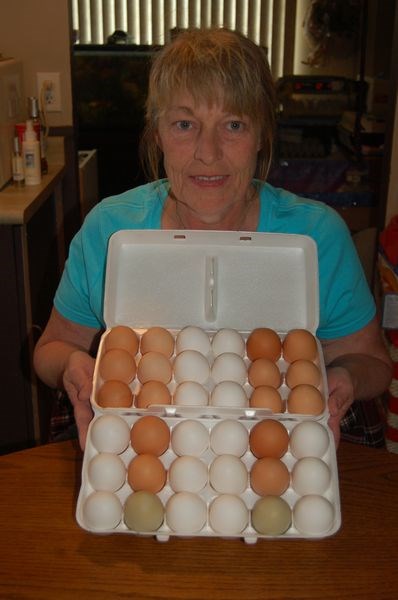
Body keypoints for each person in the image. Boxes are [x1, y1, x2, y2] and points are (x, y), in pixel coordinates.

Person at [33, 27, 392, 450]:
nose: (208, 152)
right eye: (185, 124)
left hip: (277, 453)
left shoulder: (316, 236)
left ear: (261, 135)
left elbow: (373, 360)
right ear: (158, 133)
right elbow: (52, 348)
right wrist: (73, 366)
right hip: (141, 452)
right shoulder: (110, 231)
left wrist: (345, 376)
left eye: (233, 125)